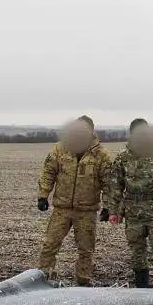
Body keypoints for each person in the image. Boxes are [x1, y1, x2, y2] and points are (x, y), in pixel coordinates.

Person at [36, 116, 112, 285]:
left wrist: (108, 206)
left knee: (86, 250)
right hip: (62, 208)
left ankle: (83, 282)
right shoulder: (60, 149)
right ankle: (43, 278)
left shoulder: (101, 155)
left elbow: (108, 182)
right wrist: (43, 195)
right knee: (50, 244)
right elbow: (49, 172)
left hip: (87, 211)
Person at [107, 119, 153, 288]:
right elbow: (116, 185)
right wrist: (113, 211)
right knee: (137, 253)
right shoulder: (123, 157)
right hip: (133, 212)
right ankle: (142, 289)